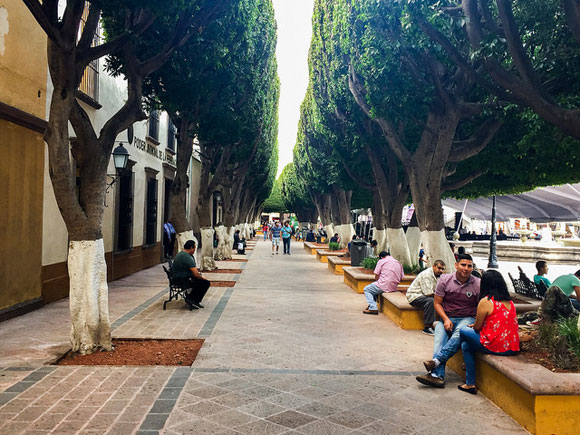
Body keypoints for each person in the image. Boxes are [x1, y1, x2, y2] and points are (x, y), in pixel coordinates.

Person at [415, 253, 480, 388]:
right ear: (456, 265)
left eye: (469, 266)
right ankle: (437, 376)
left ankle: (436, 363)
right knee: (439, 338)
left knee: (461, 331)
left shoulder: (477, 284)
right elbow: (437, 303)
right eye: (463, 265)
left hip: (467, 318)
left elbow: (481, 306)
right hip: (447, 317)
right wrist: (445, 319)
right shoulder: (444, 280)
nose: (466, 268)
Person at [457, 270, 520, 394]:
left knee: (463, 330)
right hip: (512, 346)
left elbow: (477, 327)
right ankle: (470, 384)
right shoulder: (510, 302)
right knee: (466, 346)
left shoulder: (486, 301)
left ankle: (469, 379)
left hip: (496, 346)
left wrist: (473, 326)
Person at [406, 260, 446, 335]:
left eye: (442, 269)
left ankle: (442, 324)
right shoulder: (427, 275)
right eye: (439, 268)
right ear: (433, 266)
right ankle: (427, 327)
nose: (441, 271)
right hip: (414, 296)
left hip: (423, 295)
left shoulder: (436, 275)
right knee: (431, 301)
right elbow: (428, 293)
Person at [171, 240, 210, 309]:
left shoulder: (181, 254)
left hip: (177, 278)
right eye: (195, 248)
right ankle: (193, 299)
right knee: (205, 283)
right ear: (191, 248)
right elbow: (196, 274)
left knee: (199, 281)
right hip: (181, 280)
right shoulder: (187, 258)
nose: (195, 250)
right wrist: (203, 278)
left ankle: (191, 298)